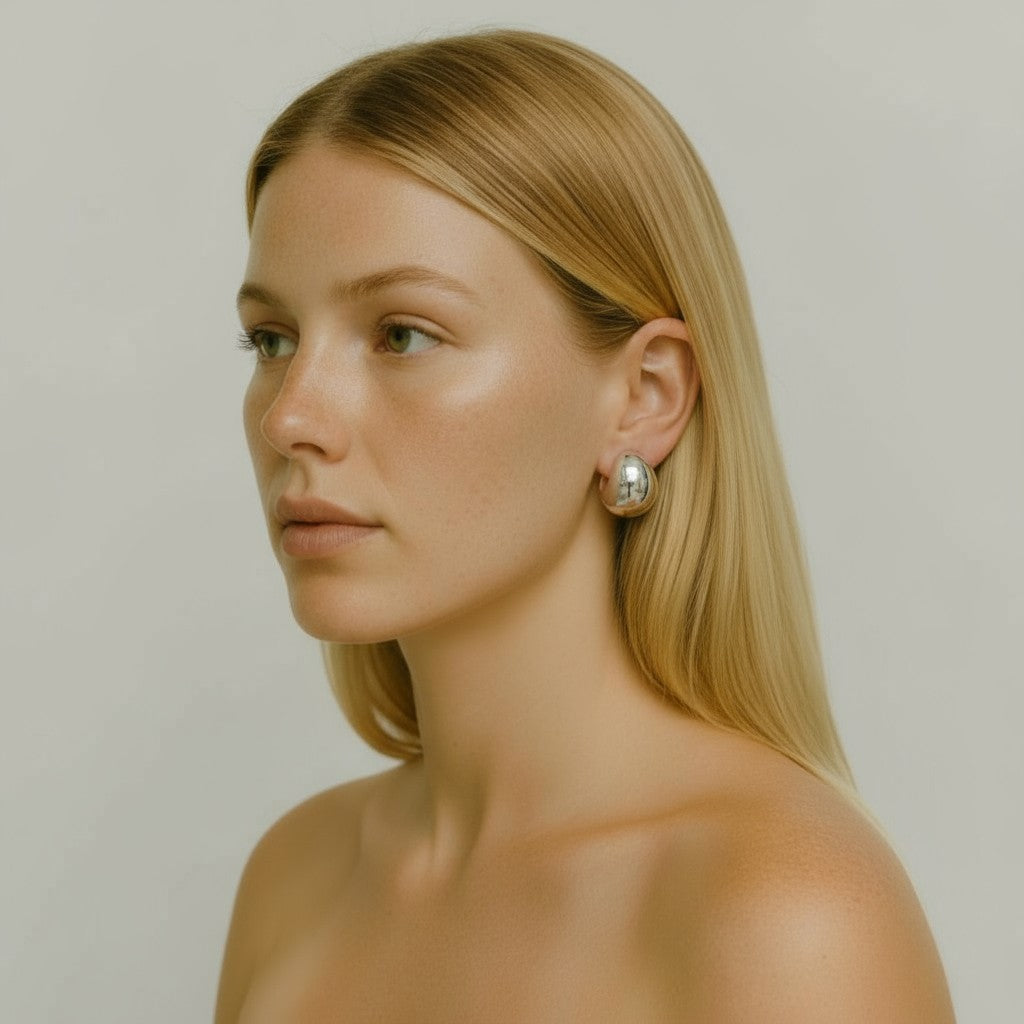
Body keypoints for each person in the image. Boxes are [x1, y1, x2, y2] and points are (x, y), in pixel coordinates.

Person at [214, 28, 956, 1023]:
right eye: (271, 339)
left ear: (645, 397)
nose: (290, 417)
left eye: (402, 333)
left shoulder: (782, 915)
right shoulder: (297, 877)